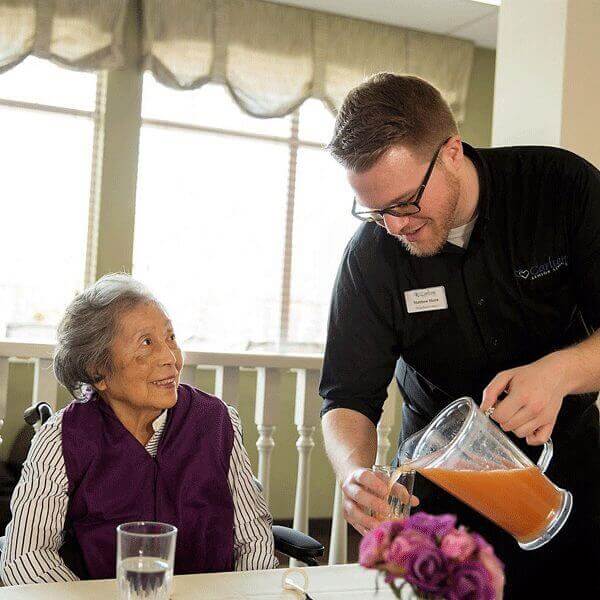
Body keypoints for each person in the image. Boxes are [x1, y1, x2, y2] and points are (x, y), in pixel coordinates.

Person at [319, 73, 600, 598]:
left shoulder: (561, 189)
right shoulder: (371, 257)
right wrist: (355, 472)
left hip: (571, 484)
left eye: (404, 203)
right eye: (375, 212)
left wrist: (560, 373)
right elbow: (345, 397)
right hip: (440, 508)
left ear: (451, 151)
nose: (395, 227)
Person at [0, 274, 277, 585]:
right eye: (147, 343)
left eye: (170, 337)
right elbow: (26, 556)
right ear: (98, 371)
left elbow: (253, 540)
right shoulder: (61, 437)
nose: (171, 358)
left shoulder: (216, 421)